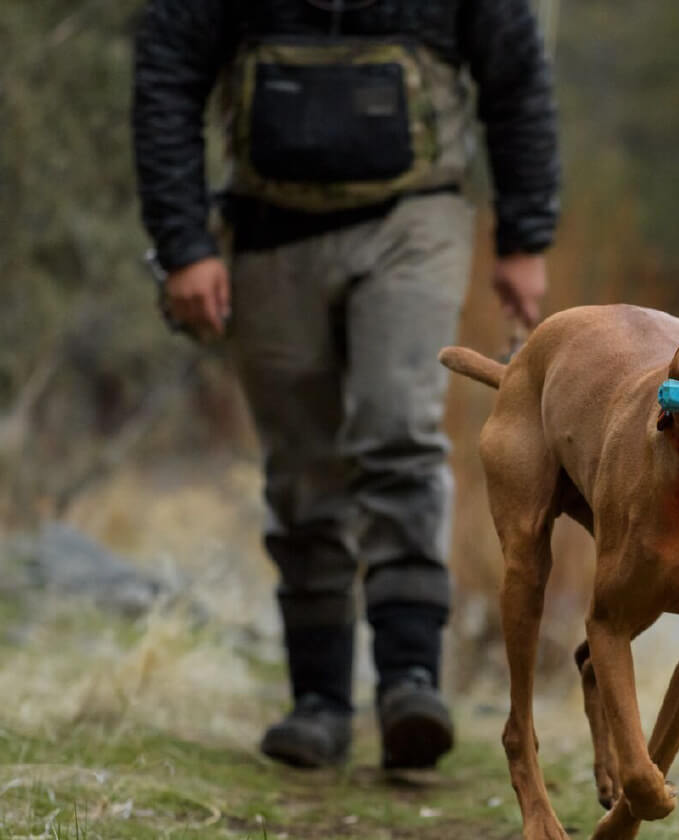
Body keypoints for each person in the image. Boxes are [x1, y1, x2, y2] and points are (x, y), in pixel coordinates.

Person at [132, 0, 560, 770]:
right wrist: (184, 243)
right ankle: (319, 699)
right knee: (302, 464)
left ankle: (410, 680)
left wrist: (526, 234)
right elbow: (166, 77)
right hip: (268, 230)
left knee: (398, 430)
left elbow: (516, 76)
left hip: (415, 218)